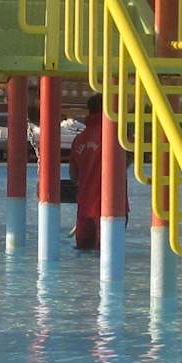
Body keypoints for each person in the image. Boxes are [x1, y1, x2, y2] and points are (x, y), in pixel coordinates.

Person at [69, 92, 128, 250]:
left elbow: (73, 175)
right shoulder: (118, 137)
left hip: (84, 208)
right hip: (112, 208)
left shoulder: (79, 139)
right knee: (109, 254)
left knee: (84, 253)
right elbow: (127, 161)